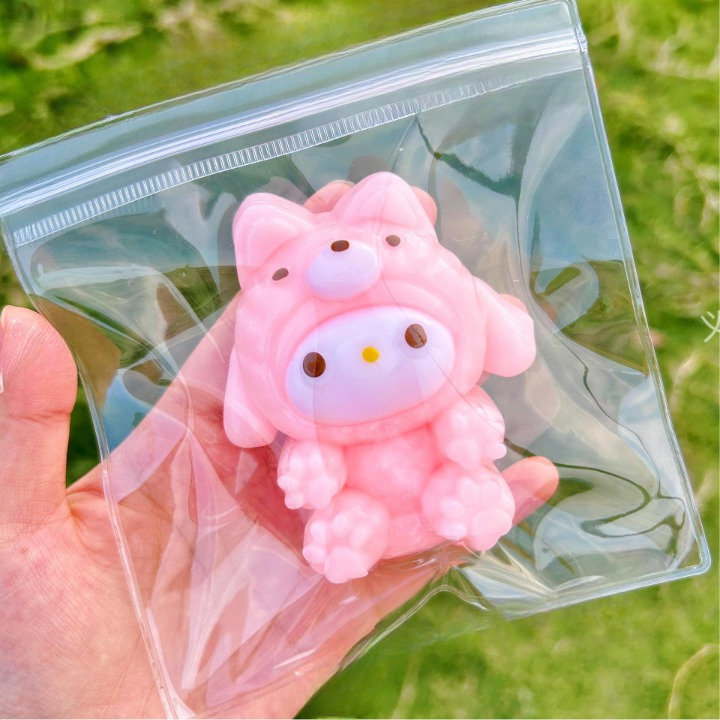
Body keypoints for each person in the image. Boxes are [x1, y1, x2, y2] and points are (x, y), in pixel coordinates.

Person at [0, 305, 555, 718]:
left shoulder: (441, 384)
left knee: (450, 467)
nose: (368, 360)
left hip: (437, 481)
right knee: (350, 508)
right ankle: (358, 529)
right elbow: (314, 457)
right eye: (316, 364)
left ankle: (459, 496)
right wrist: (312, 469)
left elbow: (466, 401)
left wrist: (466, 428)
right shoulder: (316, 424)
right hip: (363, 502)